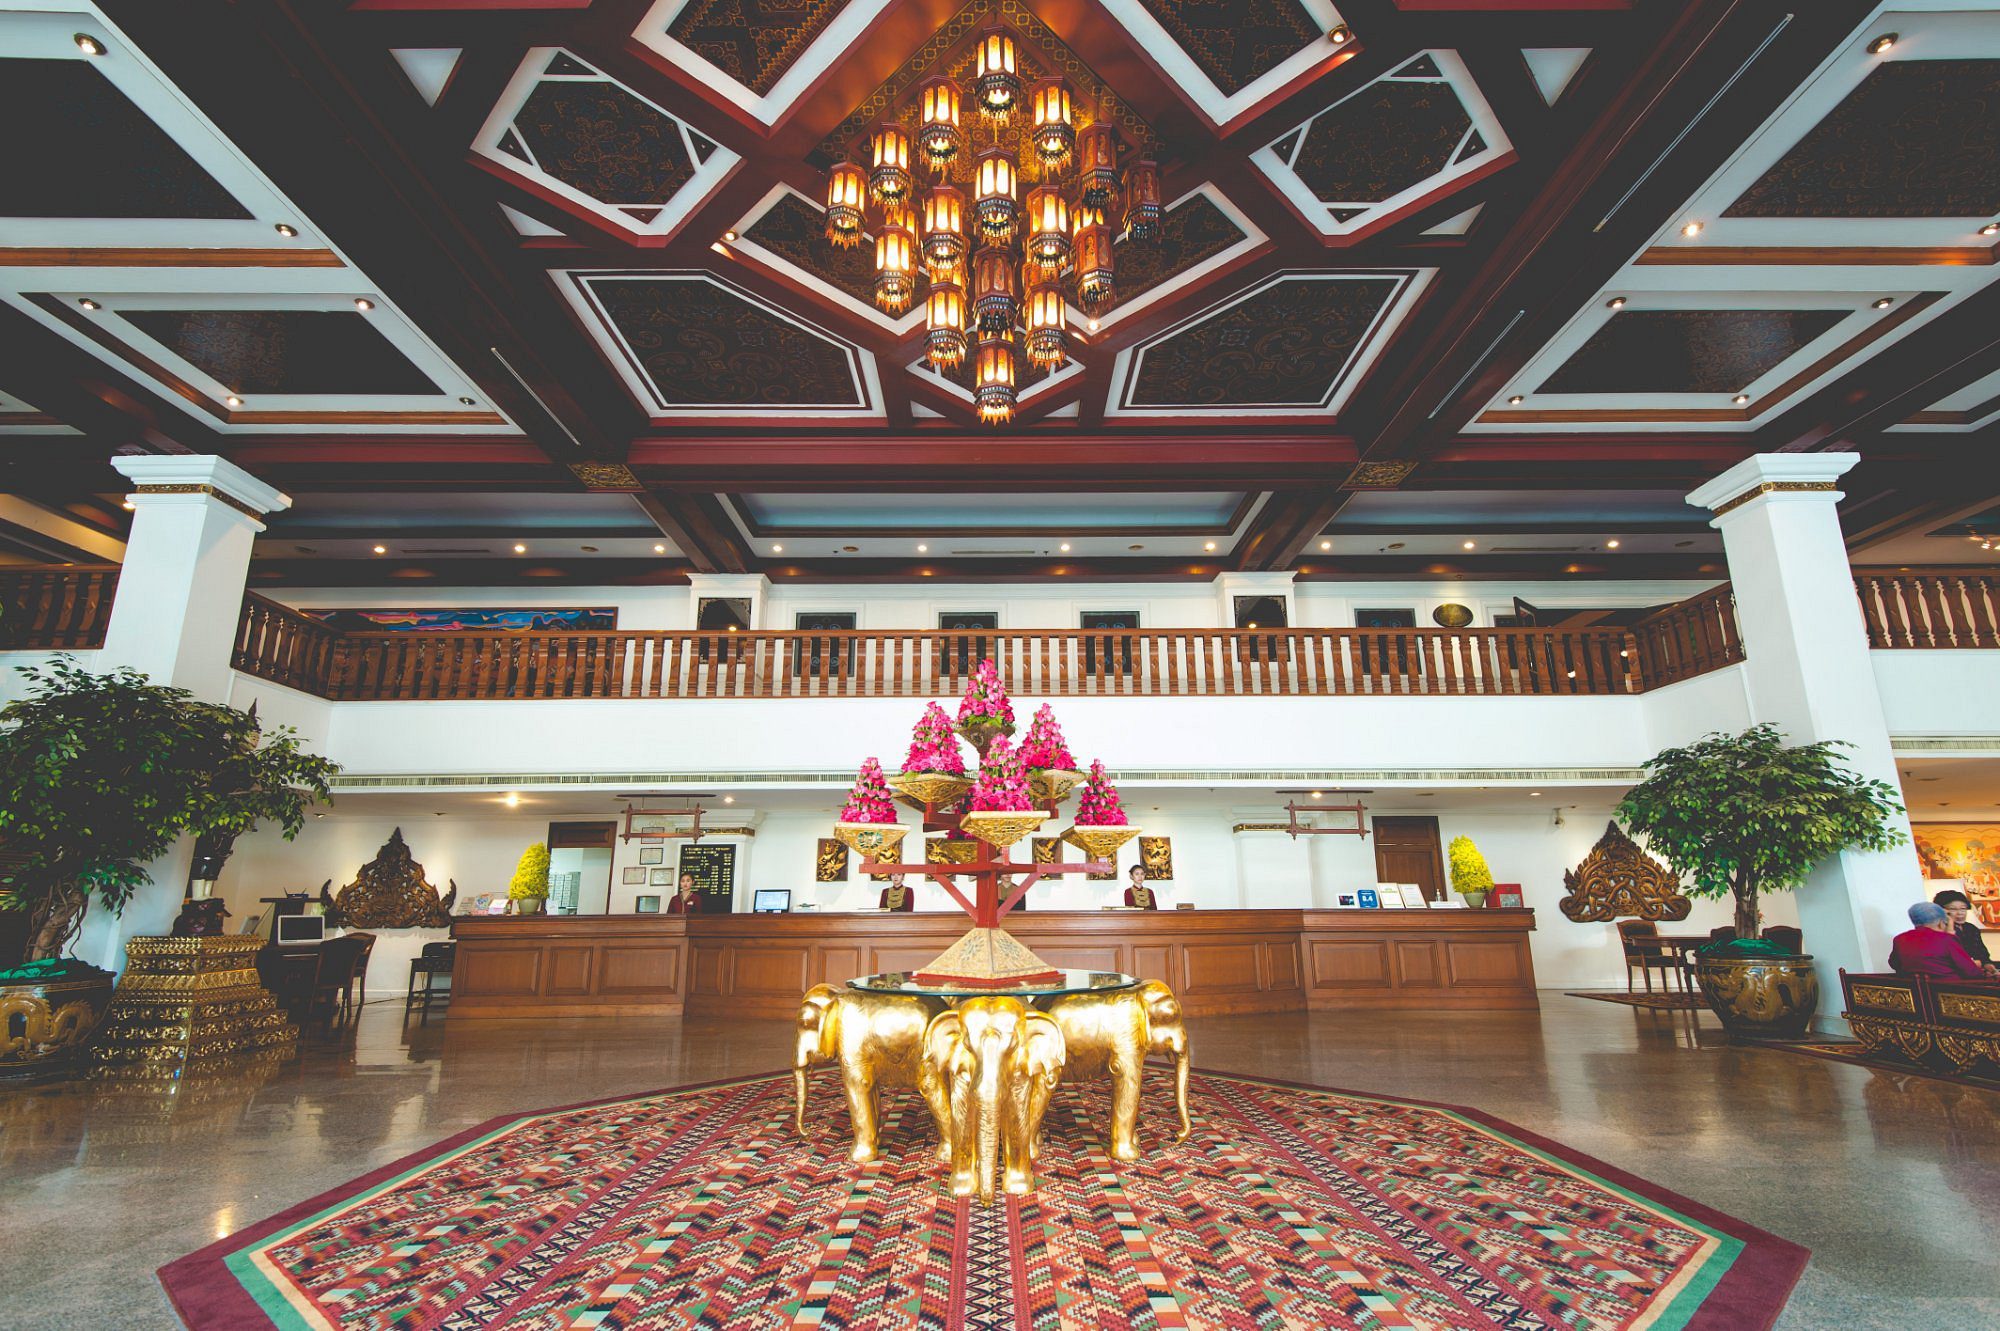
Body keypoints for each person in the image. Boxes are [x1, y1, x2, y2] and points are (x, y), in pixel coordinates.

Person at [1888, 901, 1984, 979]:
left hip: (1916, 991)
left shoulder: (1900, 939)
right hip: (1951, 989)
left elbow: (1894, 964)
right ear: (1940, 922)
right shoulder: (1947, 939)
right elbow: (1972, 972)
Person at [1932, 889, 1998, 978]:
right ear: (1942, 911)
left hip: (1976, 974)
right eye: (1953, 909)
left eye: (1963, 908)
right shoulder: (1938, 930)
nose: (1960, 913)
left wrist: (1990, 967)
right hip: (1953, 976)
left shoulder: (1971, 928)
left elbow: (1983, 955)